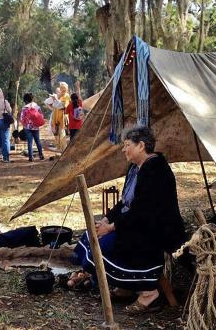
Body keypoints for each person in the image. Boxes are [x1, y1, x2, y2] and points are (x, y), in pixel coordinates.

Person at [71, 126, 187, 315]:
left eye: (127, 145)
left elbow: (143, 212)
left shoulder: (157, 171)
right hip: (135, 223)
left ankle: (149, 293)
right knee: (90, 237)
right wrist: (106, 220)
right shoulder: (135, 168)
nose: (123, 149)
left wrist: (111, 228)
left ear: (141, 145)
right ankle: (126, 287)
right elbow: (125, 203)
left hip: (154, 231)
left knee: (101, 247)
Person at [19, 93, 45, 162]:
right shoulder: (37, 106)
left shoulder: (25, 108)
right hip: (36, 127)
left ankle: (31, 157)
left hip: (28, 127)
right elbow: (41, 116)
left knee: (30, 142)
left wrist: (24, 125)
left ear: (26, 100)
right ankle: (41, 155)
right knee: (38, 141)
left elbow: (22, 118)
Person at [50, 82, 70, 151]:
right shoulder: (59, 95)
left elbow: (64, 106)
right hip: (56, 116)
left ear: (66, 88)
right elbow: (54, 105)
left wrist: (57, 101)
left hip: (62, 116)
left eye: (64, 88)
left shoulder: (66, 96)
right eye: (61, 88)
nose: (63, 89)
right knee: (57, 133)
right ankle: (59, 148)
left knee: (62, 133)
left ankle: (64, 149)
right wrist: (54, 99)